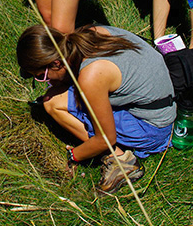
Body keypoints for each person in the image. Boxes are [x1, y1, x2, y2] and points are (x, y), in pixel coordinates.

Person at [17, 24, 176, 194]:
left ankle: (121, 162)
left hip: (154, 129)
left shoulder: (91, 76)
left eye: (41, 76)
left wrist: (74, 156)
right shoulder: (89, 33)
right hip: (166, 104)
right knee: (60, 96)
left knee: (52, 103)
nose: (44, 82)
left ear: (56, 63)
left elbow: (105, 139)